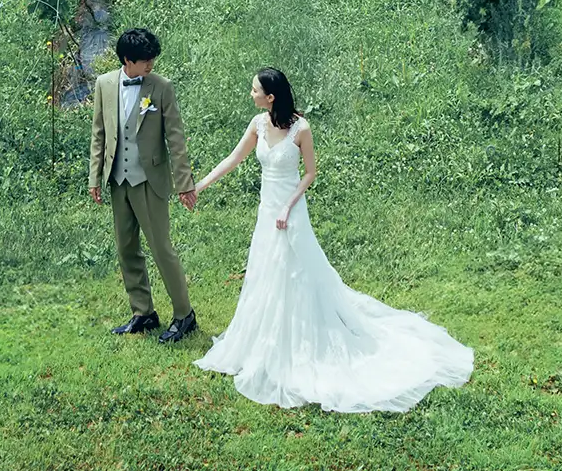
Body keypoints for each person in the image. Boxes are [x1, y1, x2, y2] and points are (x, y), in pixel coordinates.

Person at [188, 67, 473, 412]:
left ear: (271, 96)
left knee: (298, 272)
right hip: (267, 212)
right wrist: (199, 186)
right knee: (266, 272)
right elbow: (234, 159)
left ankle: (306, 339)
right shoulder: (258, 124)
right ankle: (265, 341)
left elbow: (309, 173)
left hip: (290, 210)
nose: (251, 94)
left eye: (255, 90)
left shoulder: (301, 129)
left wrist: (288, 208)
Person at [88, 26, 197, 341]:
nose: (151, 65)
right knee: (127, 248)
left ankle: (184, 315)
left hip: (149, 180)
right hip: (117, 179)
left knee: (162, 248)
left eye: (152, 59)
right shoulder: (104, 84)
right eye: (145, 61)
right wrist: (95, 176)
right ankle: (143, 313)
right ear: (127, 60)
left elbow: (175, 138)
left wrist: (185, 183)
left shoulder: (162, 87)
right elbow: (99, 133)